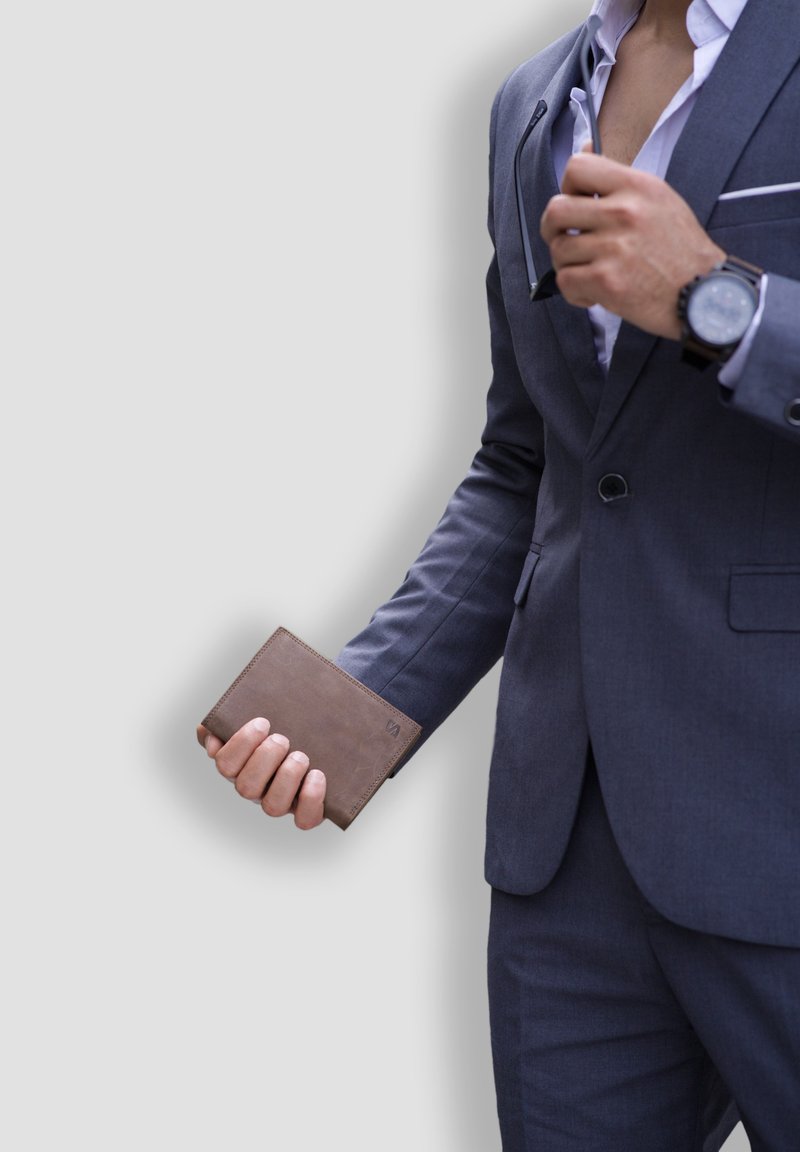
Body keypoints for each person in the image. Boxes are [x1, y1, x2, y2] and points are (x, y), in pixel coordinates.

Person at [197, 0, 800, 1146]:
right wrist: (365, 701)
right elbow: (533, 461)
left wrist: (716, 303)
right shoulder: (531, 101)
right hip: (563, 854)